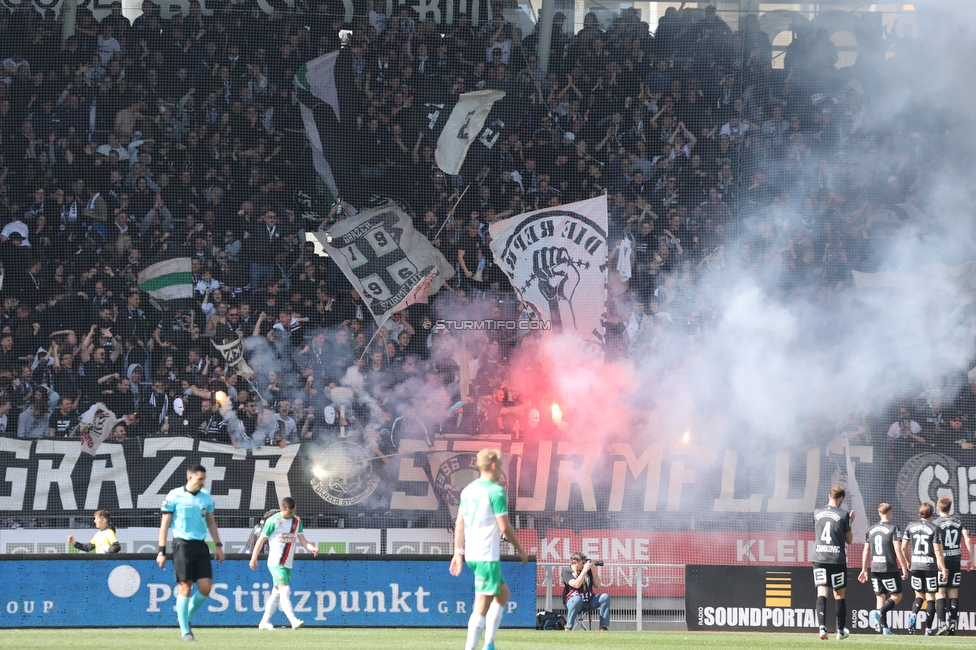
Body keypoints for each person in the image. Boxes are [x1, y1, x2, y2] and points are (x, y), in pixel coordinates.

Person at [449, 449, 528, 650]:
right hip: (486, 556)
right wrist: (520, 549)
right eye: (500, 465)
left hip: (474, 555)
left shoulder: (467, 490)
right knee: (481, 607)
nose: (500, 469)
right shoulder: (496, 491)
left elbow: (459, 524)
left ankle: (489, 644)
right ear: (493, 465)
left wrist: (458, 552)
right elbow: (504, 527)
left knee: (502, 594)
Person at [157, 464, 226, 642]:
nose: (202, 482)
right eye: (200, 479)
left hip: (201, 546)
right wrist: (161, 551)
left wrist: (218, 545)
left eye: (204, 479)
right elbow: (164, 524)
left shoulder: (206, 498)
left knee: (205, 588)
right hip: (182, 545)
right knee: (185, 587)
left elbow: (211, 522)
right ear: (190, 478)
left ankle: (183, 618)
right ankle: (185, 631)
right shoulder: (174, 495)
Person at [249, 497, 318, 630]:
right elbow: (260, 540)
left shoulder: (297, 521)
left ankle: (264, 622)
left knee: (276, 593)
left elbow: (302, 540)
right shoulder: (273, 521)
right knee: (285, 591)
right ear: (283, 509)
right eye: (290, 512)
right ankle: (293, 620)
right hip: (275, 563)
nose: (292, 514)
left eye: (294, 511)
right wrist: (254, 558)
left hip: (288, 564)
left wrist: (311, 548)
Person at [857, 502, 908, 635]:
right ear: (890, 513)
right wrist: (904, 567)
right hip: (889, 568)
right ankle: (879, 613)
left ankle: (885, 629)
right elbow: (897, 548)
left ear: (879, 513)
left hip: (875, 568)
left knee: (880, 597)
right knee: (897, 596)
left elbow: (866, 550)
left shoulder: (871, 529)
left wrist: (864, 569)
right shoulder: (894, 528)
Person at [811, 484, 855, 640]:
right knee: (839, 595)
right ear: (841, 498)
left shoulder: (817, 512)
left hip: (819, 558)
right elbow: (849, 540)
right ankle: (840, 631)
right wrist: (850, 522)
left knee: (822, 592)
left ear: (829, 495)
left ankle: (822, 628)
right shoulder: (843, 515)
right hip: (837, 559)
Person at [902, 501, 949, 636]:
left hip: (915, 565)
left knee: (918, 595)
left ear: (919, 513)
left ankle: (914, 614)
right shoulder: (935, 528)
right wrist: (943, 568)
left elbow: (903, 547)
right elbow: (938, 552)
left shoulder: (910, 526)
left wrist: (908, 561)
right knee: (930, 598)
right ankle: (928, 629)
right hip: (930, 566)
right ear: (932, 513)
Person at [933, 496, 972, 635]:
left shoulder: (935, 523)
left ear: (938, 507)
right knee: (954, 592)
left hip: (942, 561)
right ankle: (953, 623)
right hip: (956, 561)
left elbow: (937, 545)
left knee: (940, 592)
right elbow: (967, 538)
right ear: (950, 507)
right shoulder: (958, 522)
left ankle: (943, 624)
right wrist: (971, 558)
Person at [562, 552, 610, 630]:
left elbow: (598, 585)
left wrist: (594, 572)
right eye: (582, 563)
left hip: (588, 601)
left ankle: (603, 627)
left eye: (585, 562)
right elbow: (576, 584)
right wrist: (584, 571)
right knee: (577, 599)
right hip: (573, 602)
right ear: (575, 562)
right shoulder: (567, 572)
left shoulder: (587, 571)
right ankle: (568, 627)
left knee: (605, 597)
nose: (584, 565)